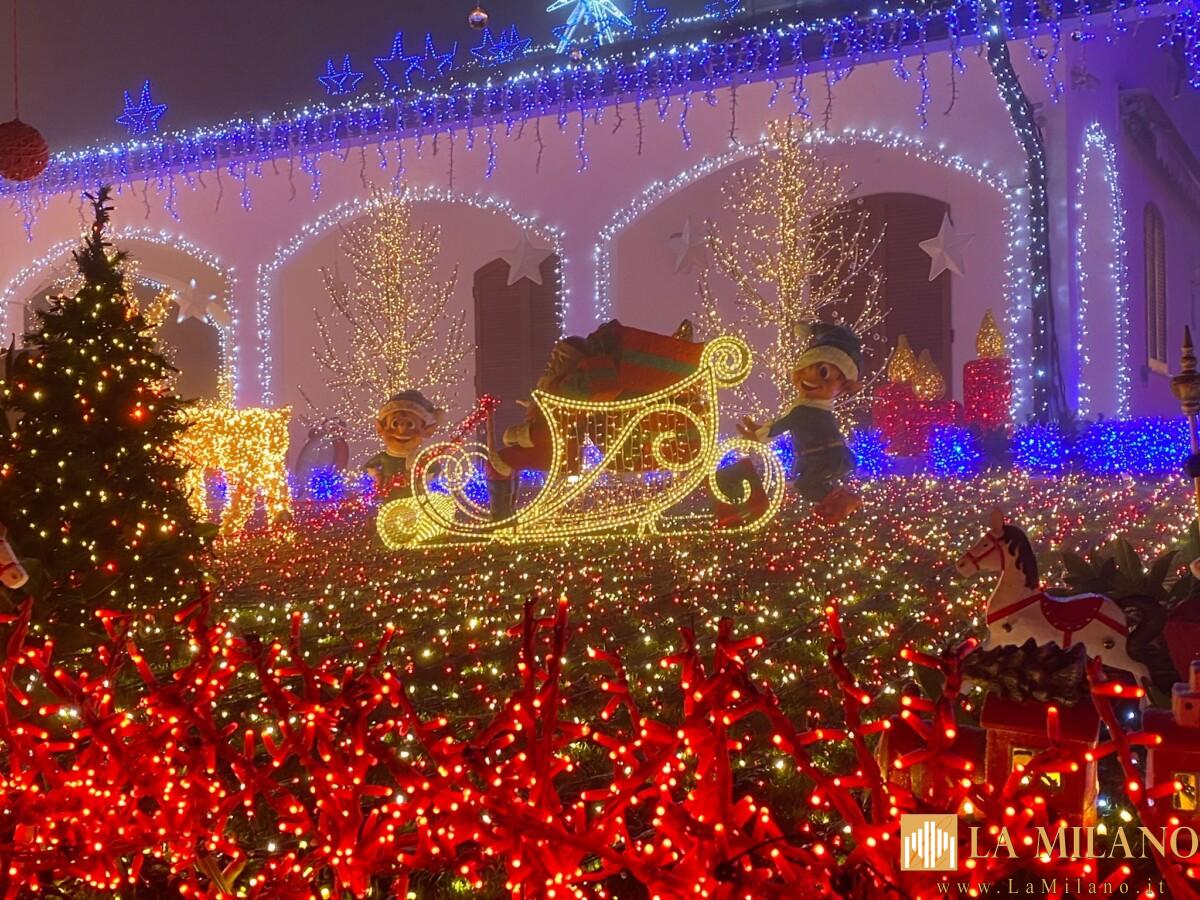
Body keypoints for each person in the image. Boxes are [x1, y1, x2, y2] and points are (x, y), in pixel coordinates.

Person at [720, 322, 863, 525]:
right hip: (823, 456)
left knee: (806, 485)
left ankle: (842, 504)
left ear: (843, 386)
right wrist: (762, 431)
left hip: (825, 456)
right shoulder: (816, 407)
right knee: (810, 484)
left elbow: (785, 423)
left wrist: (761, 435)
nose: (810, 378)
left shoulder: (806, 410)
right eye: (805, 370)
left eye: (823, 372)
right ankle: (836, 504)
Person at [363, 390, 443, 502]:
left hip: (415, 497)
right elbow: (368, 466)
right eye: (395, 424)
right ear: (380, 428)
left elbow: (435, 467)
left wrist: (423, 480)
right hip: (390, 496)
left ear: (426, 431)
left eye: (410, 425)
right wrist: (377, 476)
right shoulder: (384, 456)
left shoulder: (419, 457)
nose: (401, 431)